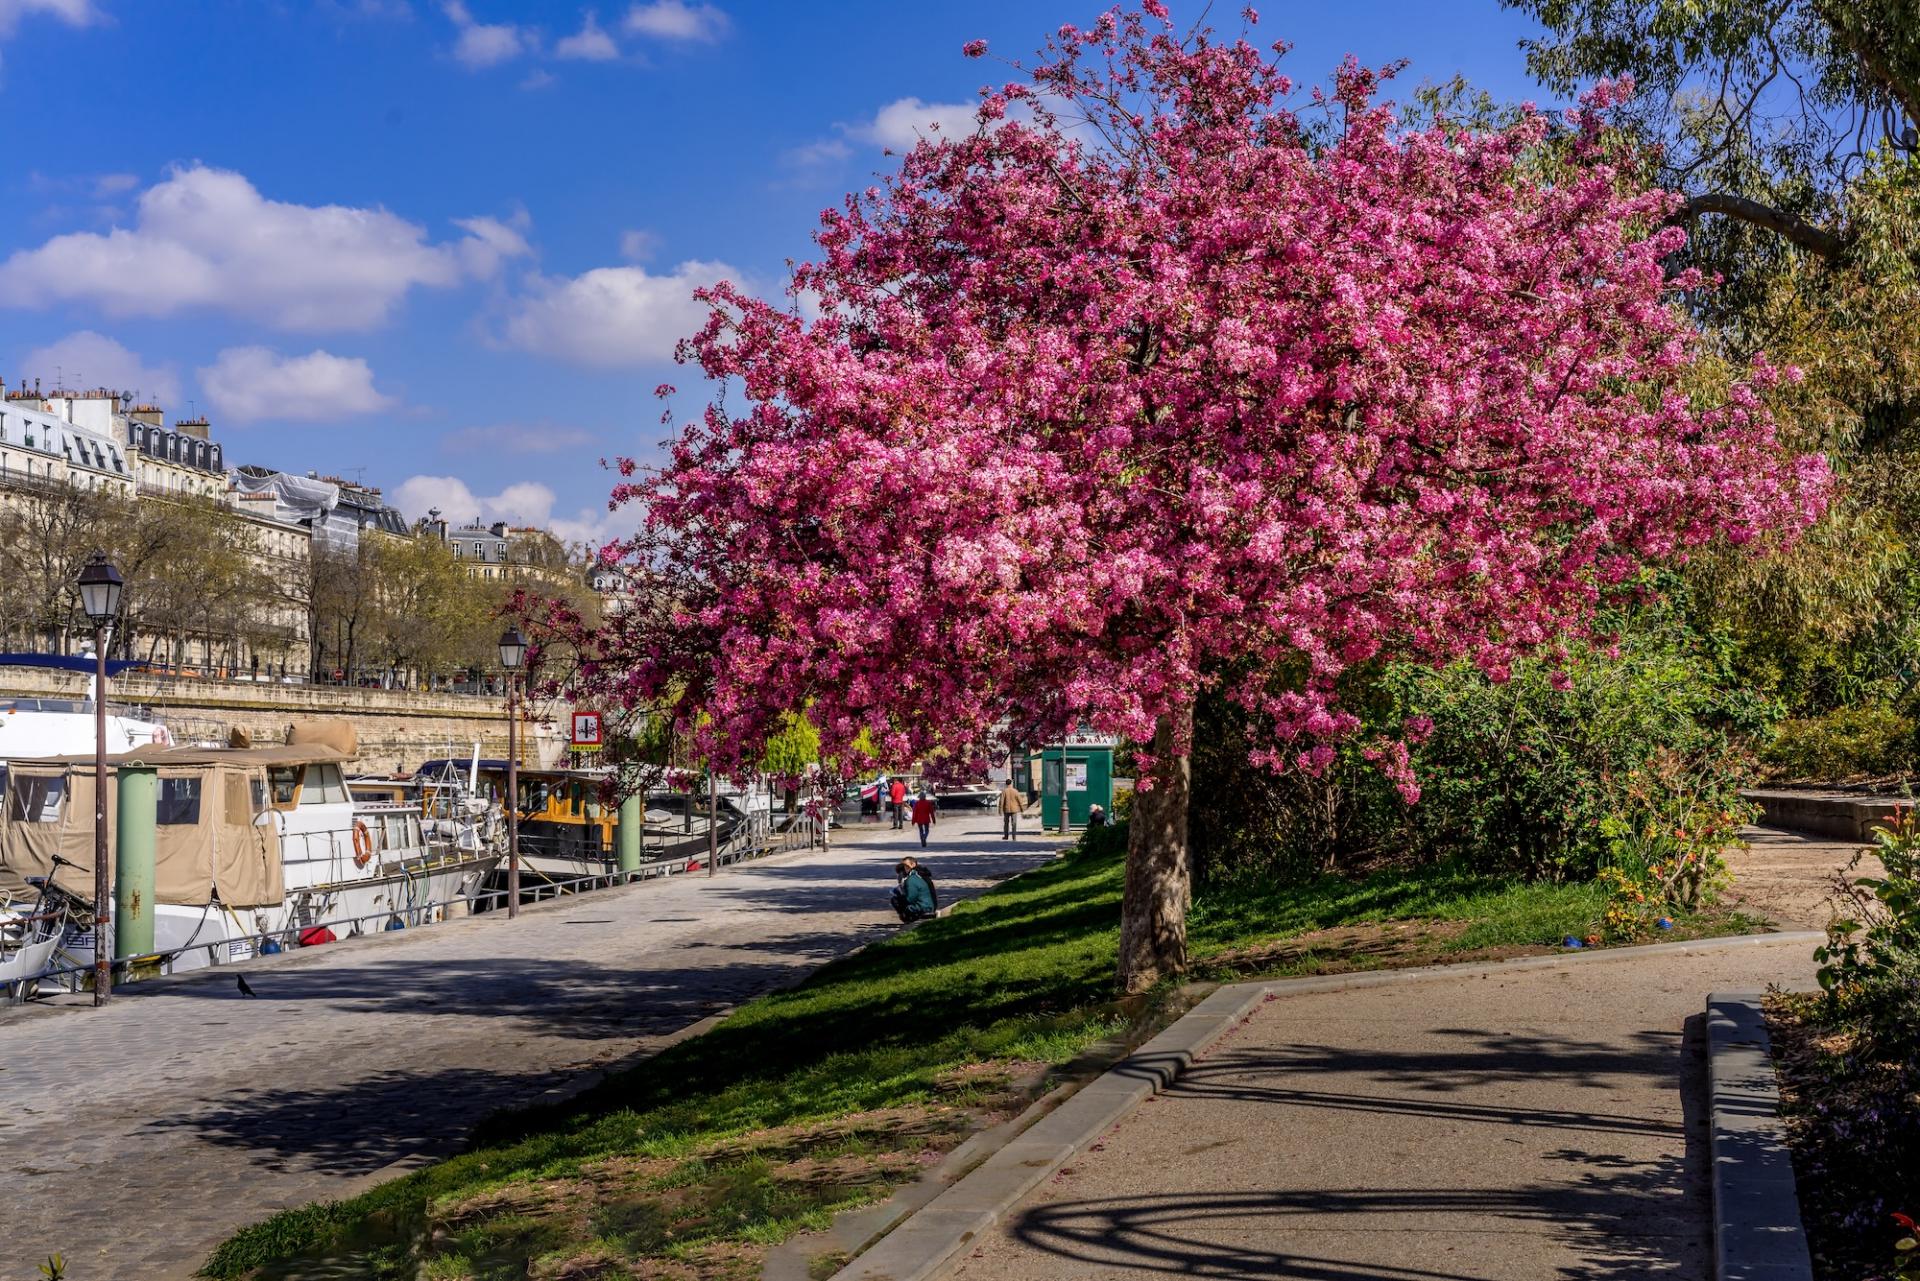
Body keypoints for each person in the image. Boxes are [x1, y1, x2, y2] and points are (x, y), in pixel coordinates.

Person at [890, 857, 937, 922]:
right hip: (931, 905)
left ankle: (908, 919)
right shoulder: (922, 874)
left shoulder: (912, 878)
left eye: (906, 866)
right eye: (904, 866)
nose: (905, 868)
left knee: (895, 899)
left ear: (913, 864)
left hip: (923, 908)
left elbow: (910, 898)